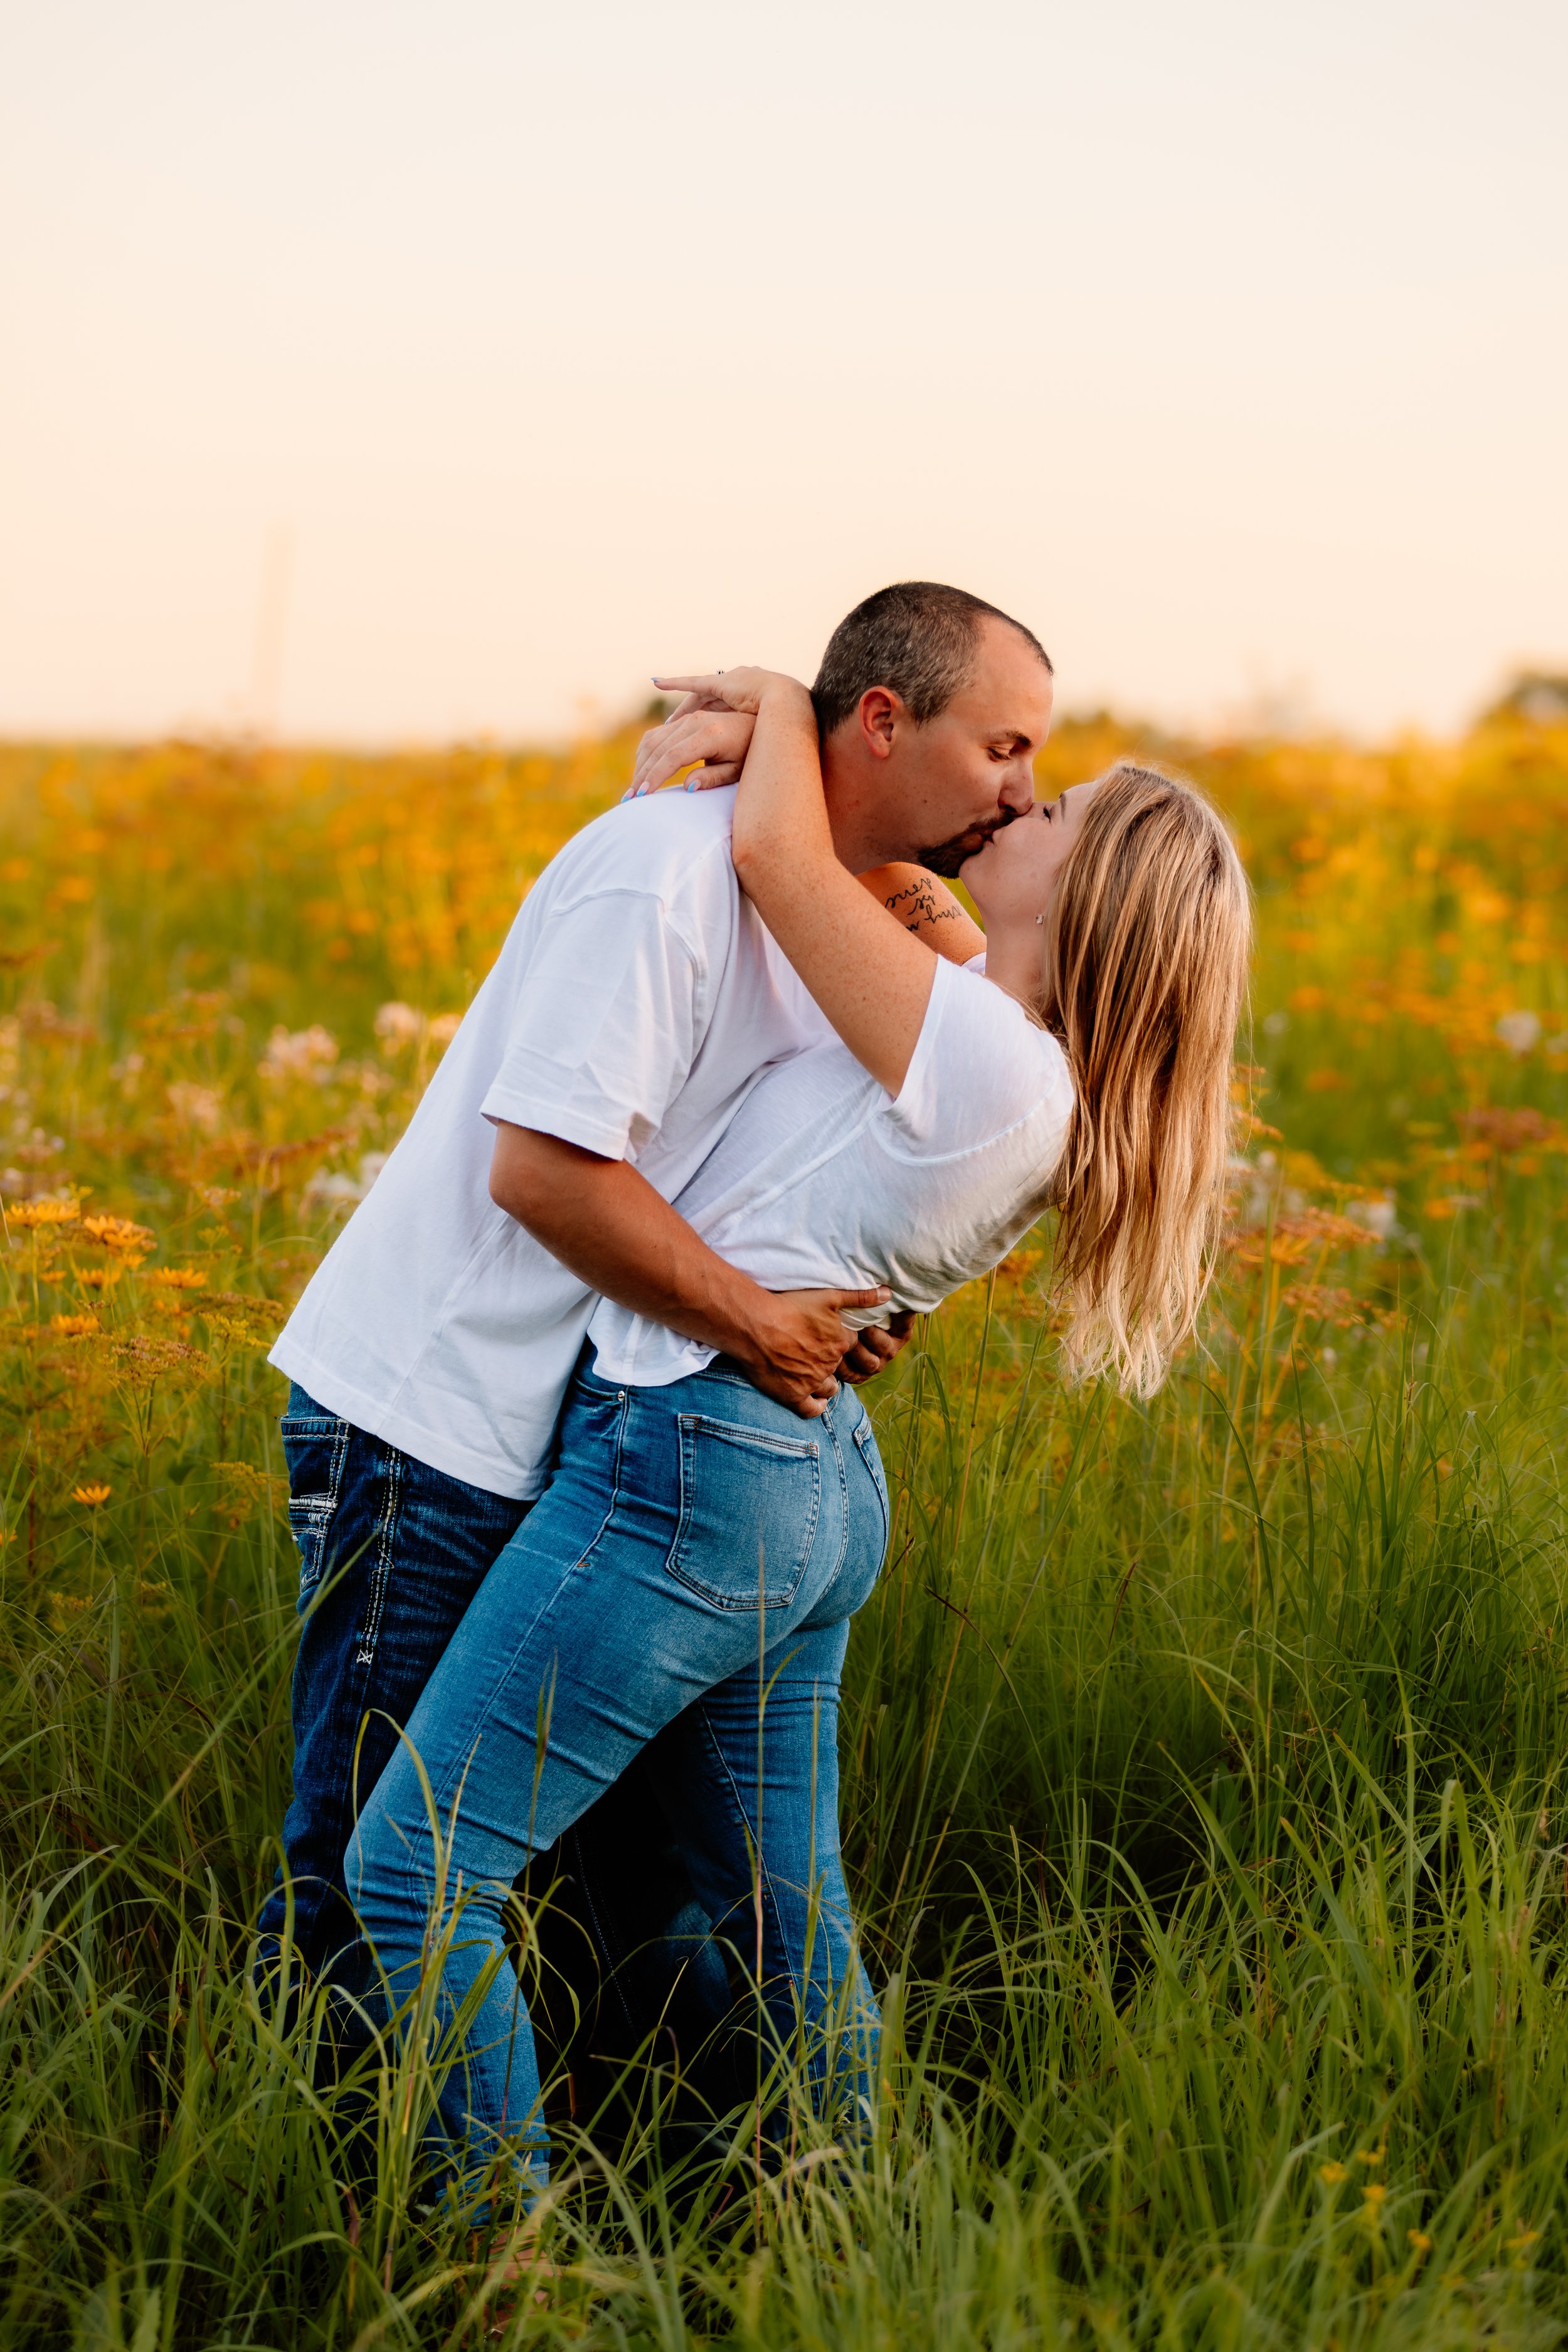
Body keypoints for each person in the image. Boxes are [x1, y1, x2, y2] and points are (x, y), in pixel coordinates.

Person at [342, 665, 1253, 2223]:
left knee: (415, 1873)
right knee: (786, 1926)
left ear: (1092, 888)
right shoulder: (1008, 1050)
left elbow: (776, 860)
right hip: (800, 1481)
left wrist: (772, 697)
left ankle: (500, 2272)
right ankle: (841, 2235)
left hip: (693, 1469)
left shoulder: (986, 1063)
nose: (1027, 801)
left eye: (1065, 808)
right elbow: (880, 888)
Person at [261, 582, 1057, 2010]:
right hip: (435, 1422)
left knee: (587, 1900)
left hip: (602, 1434)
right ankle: (359, 2221)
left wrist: (844, 1305)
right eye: (1003, 747)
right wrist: (758, 1323)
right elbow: (546, 1178)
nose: (1023, 787)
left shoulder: (866, 923)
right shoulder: (668, 873)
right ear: (881, 719)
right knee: (365, 1885)